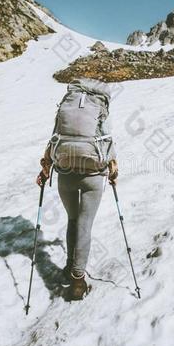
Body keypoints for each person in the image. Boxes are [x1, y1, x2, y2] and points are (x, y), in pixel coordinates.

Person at [36, 78, 118, 301]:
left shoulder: (67, 104)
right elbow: (107, 140)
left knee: (73, 220)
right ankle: (78, 280)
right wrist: (113, 169)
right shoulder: (99, 106)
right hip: (92, 176)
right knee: (85, 224)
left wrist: (45, 168)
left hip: (66, 172)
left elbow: (54, 138)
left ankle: (68, 266)